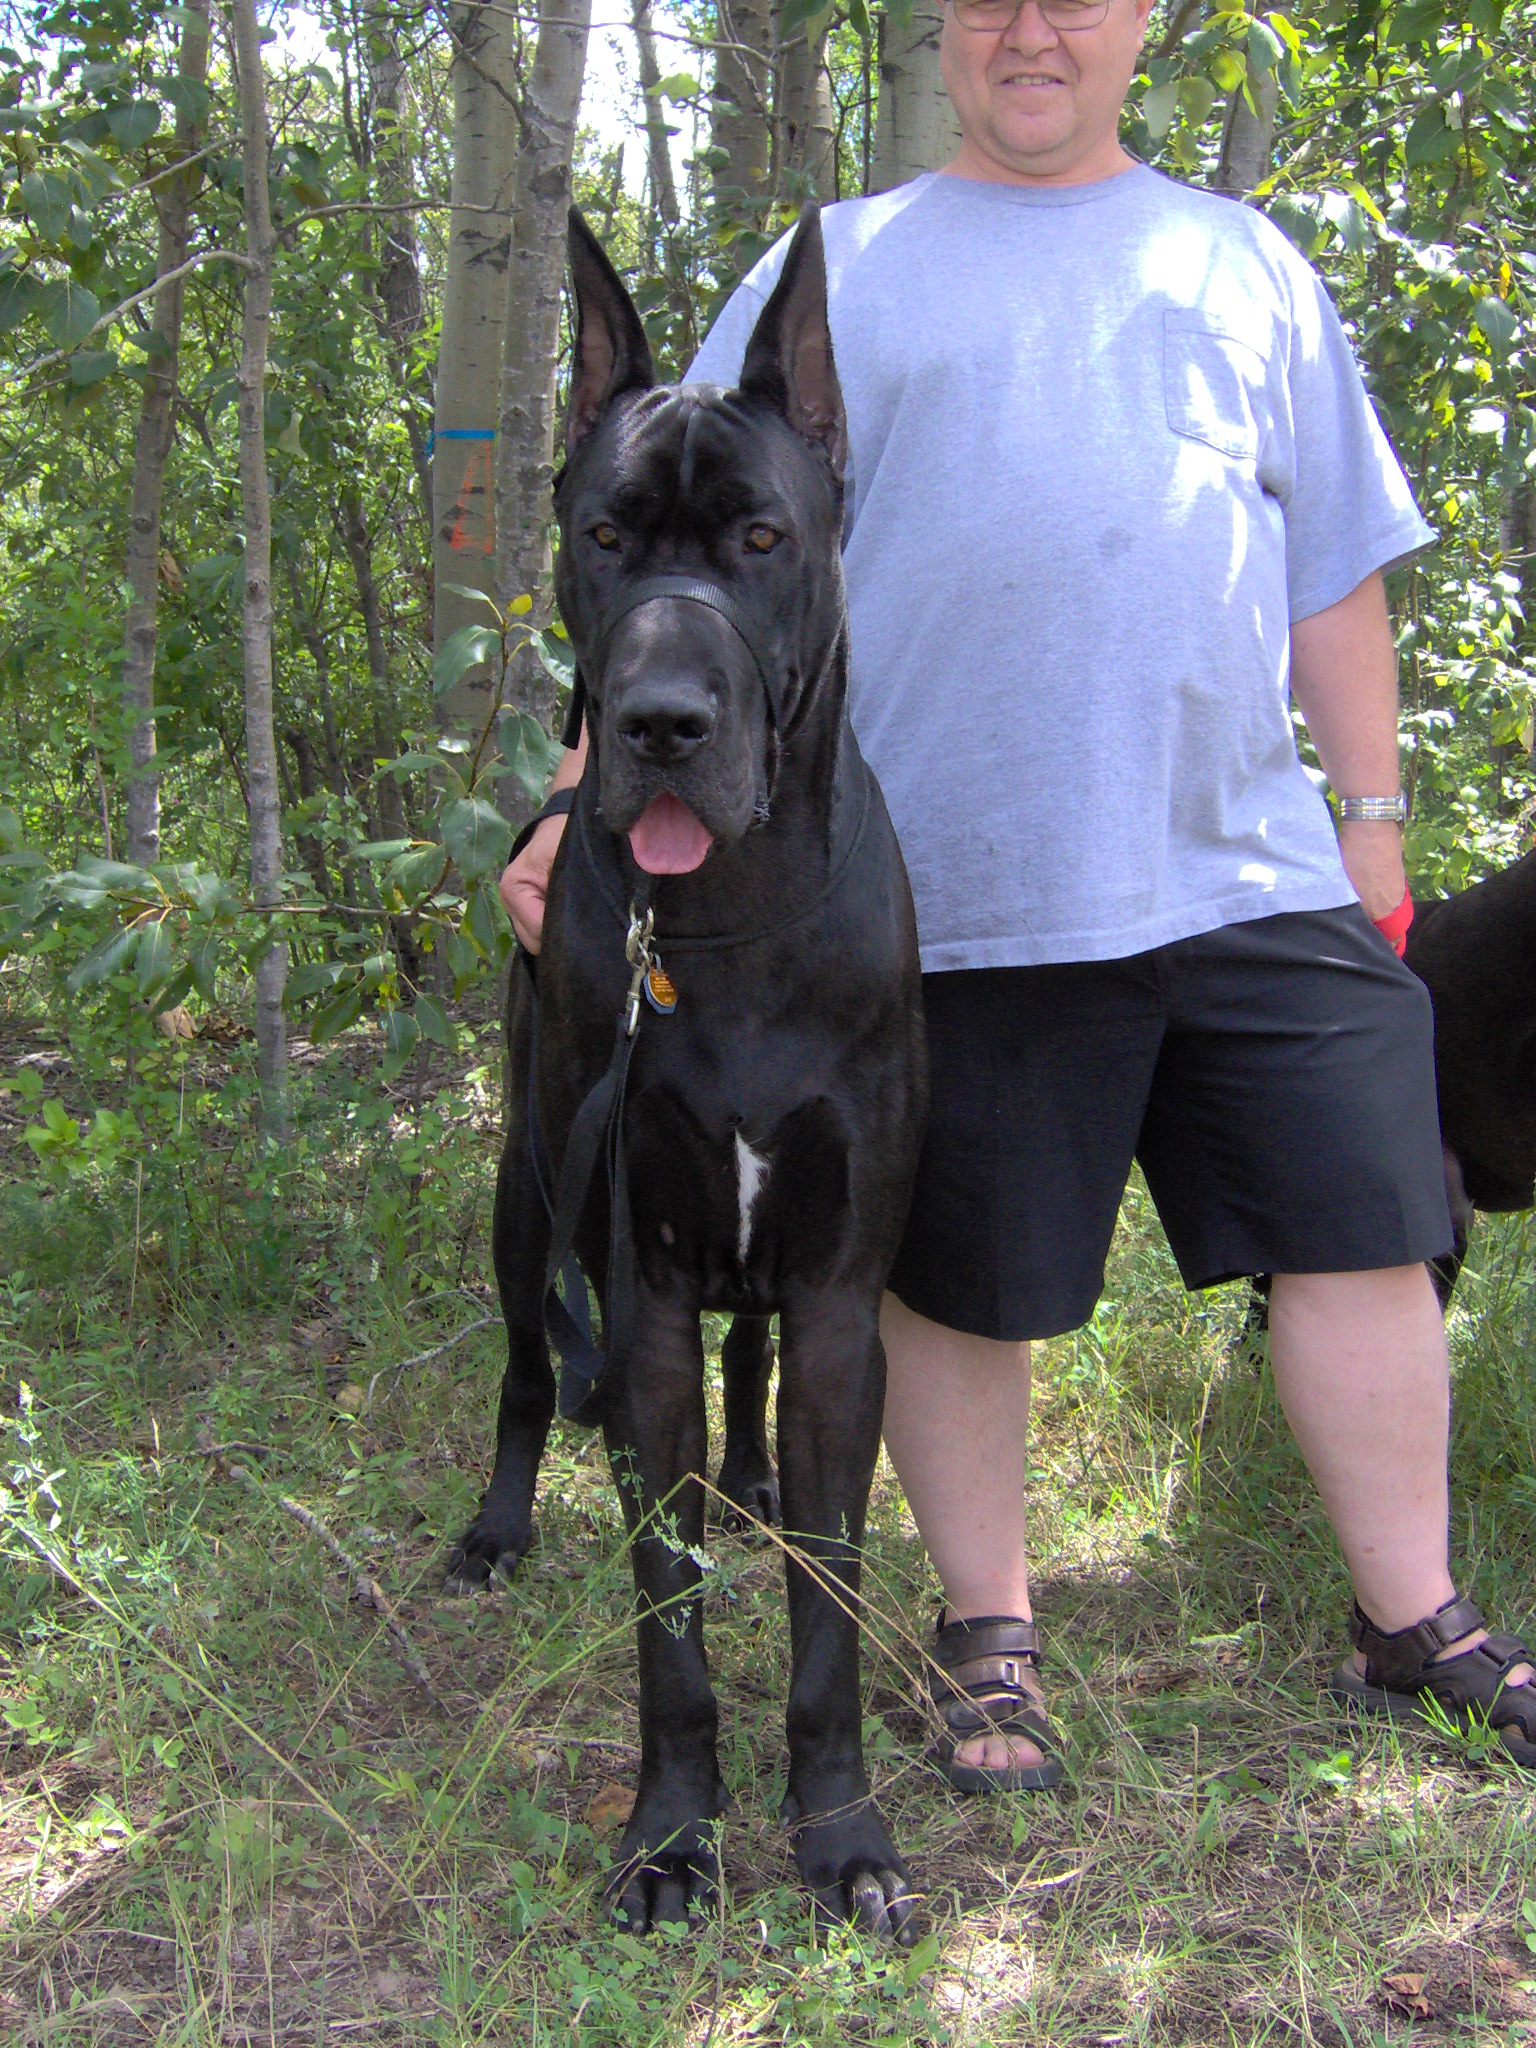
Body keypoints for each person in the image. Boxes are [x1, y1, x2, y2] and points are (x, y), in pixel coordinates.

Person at [501, 0, 1536, 1790]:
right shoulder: (841, 267)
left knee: (1366, 1218)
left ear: (1144, 21)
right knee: (962, 1275)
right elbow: (679, 526)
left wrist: (1370, 829)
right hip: (945, 889)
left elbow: (1334, 569)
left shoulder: (1245, 264)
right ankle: (989, 1640)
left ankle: (1415, 1616)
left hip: (1246, 860)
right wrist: (586, 792)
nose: (1033, 27)